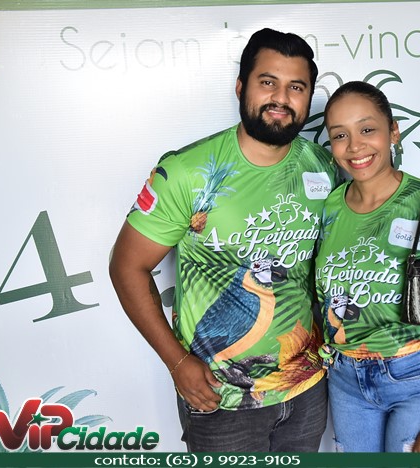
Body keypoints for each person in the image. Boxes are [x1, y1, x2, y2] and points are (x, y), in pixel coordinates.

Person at [109, 28, 340, 452]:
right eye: (267, 82)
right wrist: (178, 363)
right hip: (220, 399)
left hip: (306, 388)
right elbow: (127, 266)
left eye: (296, 87)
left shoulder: (323, 167)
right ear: (240, 86)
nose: (281, 98)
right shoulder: (188, 171)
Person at [315, 81, 420, 452]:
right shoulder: (328, 208)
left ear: (394, 131)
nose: (354, 146)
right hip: (346, 382)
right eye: (340, 135)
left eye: (367, 129)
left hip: (418, 378)